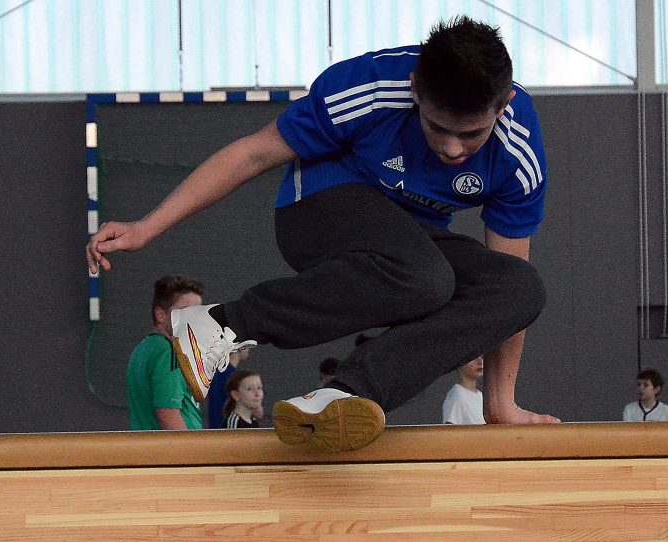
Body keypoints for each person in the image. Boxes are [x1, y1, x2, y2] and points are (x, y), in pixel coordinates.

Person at [88, 16, 560, 453]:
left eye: (471, 135)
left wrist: (500, 404)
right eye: (437, 128)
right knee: (426, 279)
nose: (452, 148)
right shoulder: (369, 87)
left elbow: (506, 276)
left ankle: (342, 395)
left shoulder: (517, 148)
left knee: (520, 286)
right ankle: (221, 324)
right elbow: (252, 155)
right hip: (316, 209)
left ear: (503, 106)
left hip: (407, 248)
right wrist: (146, 226)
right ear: (416, 90)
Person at [125, 275, 205, 430]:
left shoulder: (143, 349)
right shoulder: (168, 352)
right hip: (174, 452)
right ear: (160, 315)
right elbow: (168, 414)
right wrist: (193, 451)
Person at [208, 349, 262, 428]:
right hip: (222, 432)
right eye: (249, 389)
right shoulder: (229, 375)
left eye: (259, 388)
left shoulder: (219, 372)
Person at [442, 357, 485, 424]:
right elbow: (449, 430)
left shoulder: (481, 396)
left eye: (481, 357)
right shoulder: (456, 395)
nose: (480, 362)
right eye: (473, 357)